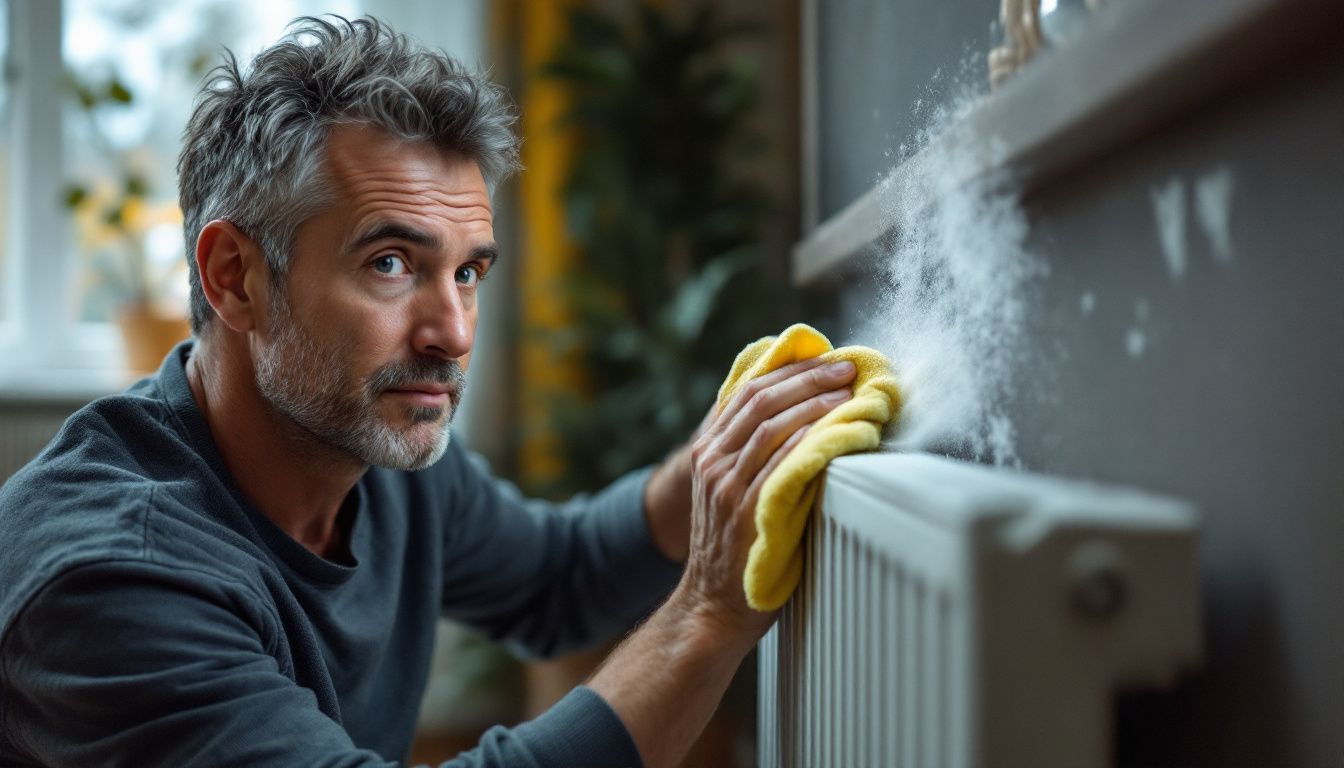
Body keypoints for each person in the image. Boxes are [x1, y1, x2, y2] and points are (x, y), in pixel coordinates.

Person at [0, 16, 856, 768]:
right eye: (390, 264)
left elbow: (559, 580)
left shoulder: (366, 445)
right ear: (235, 279)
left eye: (469, 271)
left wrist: (716, 462)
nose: (451, 332)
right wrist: (707, 616)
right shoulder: (112, 580)